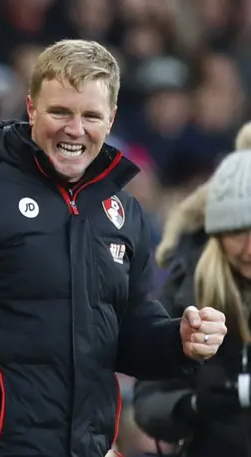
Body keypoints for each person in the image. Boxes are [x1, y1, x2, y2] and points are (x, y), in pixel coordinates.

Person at [0, 39, 227, 457]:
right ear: (31, 109)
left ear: (111, 119)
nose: (74, 130)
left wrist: (178, 340)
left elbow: (128, 327)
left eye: (90, 116)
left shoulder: (124, 213)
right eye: (60, 112)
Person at [133, 145, 251, 455]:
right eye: (238, 231)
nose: (249, 248)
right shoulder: (187, 288)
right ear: (216, 233)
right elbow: (148, 401)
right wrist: (193, 407)